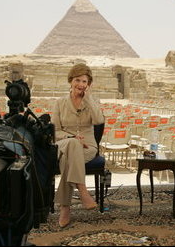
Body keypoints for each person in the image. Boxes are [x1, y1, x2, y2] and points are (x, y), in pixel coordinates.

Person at [52, 63, 105, 228]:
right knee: (73, 144)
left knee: (68, 160)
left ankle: (65, 208)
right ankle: (83, 191)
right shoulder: (60, 102)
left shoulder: (92, 101)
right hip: (63, 143)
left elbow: (98, 121)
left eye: (84, 82)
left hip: (88, 147)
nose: (81, 85)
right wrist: (72, 137)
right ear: (71, 80)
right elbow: (55, 131)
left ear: (88, 85)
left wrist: (89, 100)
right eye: (77, 80)